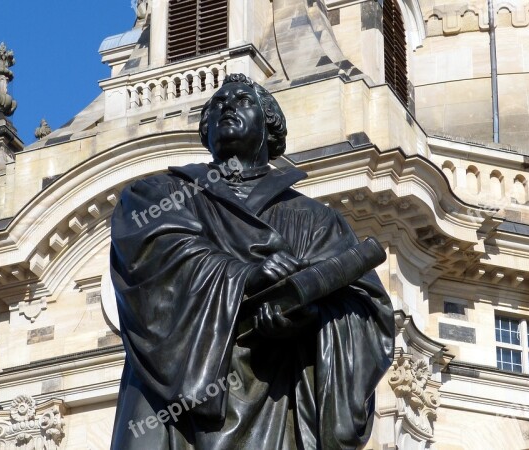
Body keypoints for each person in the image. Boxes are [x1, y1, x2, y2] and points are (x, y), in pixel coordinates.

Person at [109, 73, 394, 449]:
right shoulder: (159, 194)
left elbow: (367, 313)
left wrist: (309, 323)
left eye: (242, 101)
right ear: (206, 129)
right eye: (217, 106)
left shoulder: (314, 218)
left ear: (269, 125)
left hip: (276, 395)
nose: (227, 107)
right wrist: (244, 276)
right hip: (178, 406)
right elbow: (156, 258)